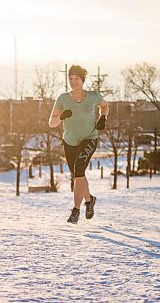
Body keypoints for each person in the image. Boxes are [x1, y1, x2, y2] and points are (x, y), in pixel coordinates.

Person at [48, 65, 109, 224]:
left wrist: (103, 118)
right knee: (78, 176)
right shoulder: (63, 98)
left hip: (89, 138)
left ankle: (75, 211)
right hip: (69, 141)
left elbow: (105, 106)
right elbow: (51, 123)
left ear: (82, 80)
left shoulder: (94, 96)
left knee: (79, 171)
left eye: (77, 79)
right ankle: (89, 201)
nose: (73, 82)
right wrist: (61, 116)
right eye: (71, 79)